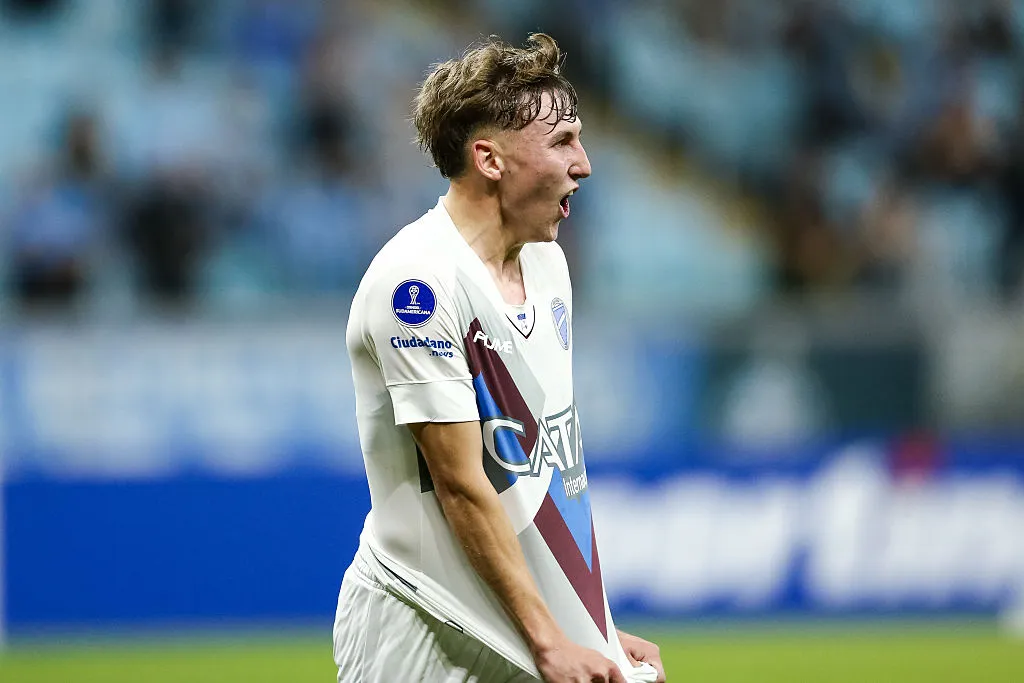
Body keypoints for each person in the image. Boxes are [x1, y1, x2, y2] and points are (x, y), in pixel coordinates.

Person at [333, 33, 666, 683]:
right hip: (427, 631)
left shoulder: (547, 265)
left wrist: (590, 628)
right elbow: (462, 484)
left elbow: (549, 475)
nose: (584, 164)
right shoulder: (419, 286)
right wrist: (551, 640)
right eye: (563, 141)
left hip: (518, 627)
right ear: (489, 158)